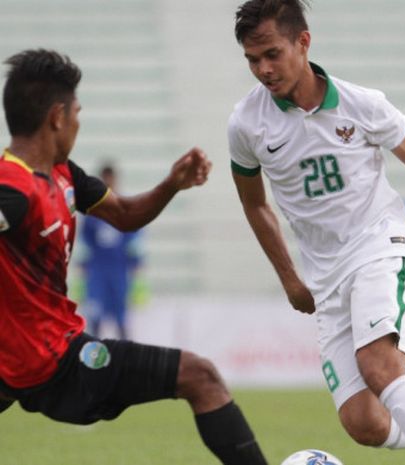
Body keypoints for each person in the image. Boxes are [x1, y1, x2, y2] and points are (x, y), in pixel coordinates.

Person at [228, 2, 405, 465]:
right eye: (253, 60)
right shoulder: (246, 124)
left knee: (382, 369)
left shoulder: (362, 105)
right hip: (326, 278)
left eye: (272, 54)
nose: (263, 69)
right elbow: (255, 203)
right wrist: (290, 279)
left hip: (381, 247)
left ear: (303, 42)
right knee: (365, 423)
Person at [0, 49, 267, 465]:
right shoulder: (13, 190)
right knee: (202, 377)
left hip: (21, 360)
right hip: (54, 365)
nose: (77, 123)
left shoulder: (63, 173)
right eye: (76, 113)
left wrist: (172, 185)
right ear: (57, 117)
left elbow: (125, 215)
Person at [81, 163, 143, 339]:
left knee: (121, 320)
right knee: (95, 320)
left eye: (111, 179)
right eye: (105, 179)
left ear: (116, 180)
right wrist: (82, 269)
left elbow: (135, 240)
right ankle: (94, 362)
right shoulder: (91, 211)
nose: (109, 183)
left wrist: (137, 266)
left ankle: (125, 363)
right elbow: (84, 243)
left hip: (119, 271)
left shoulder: (125, 207)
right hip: (97, 272)